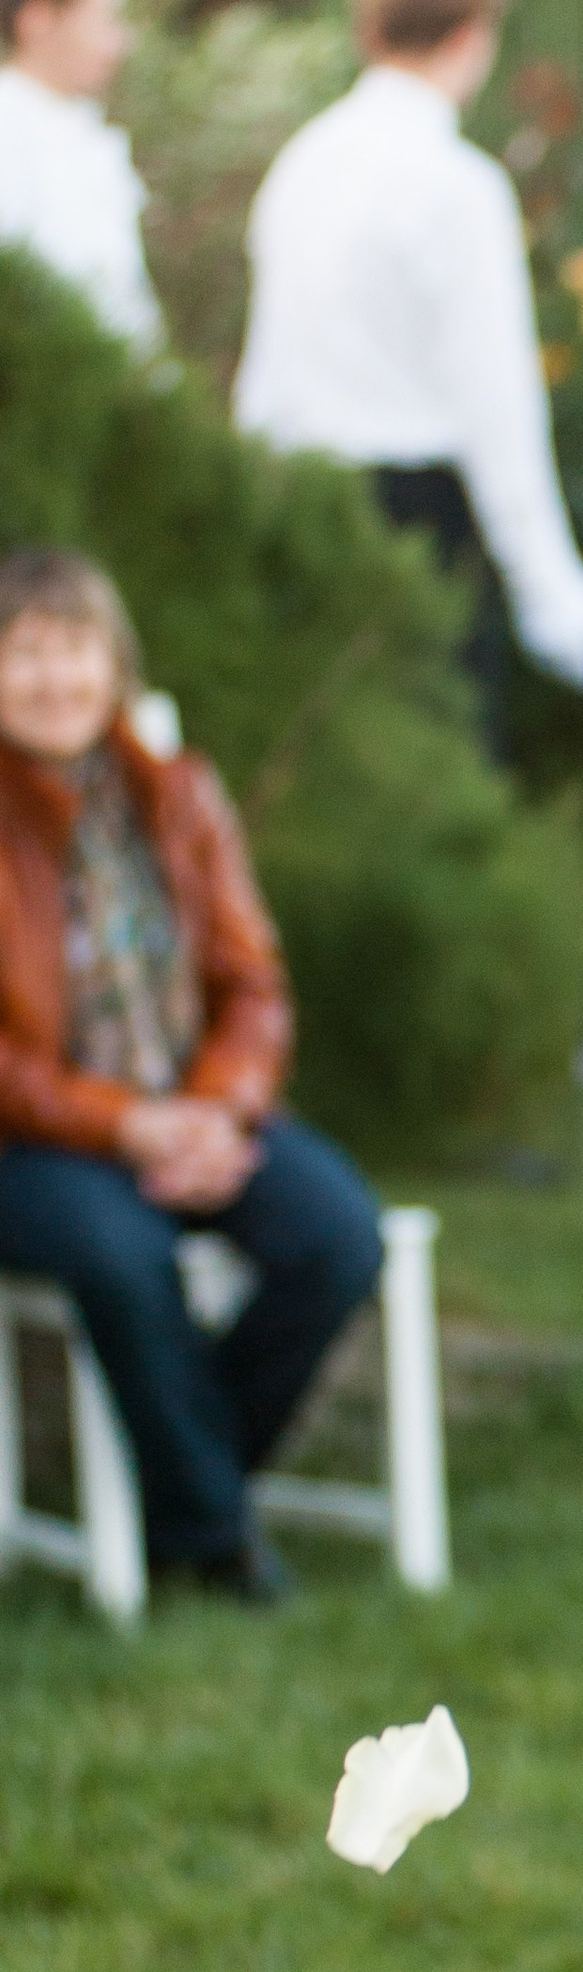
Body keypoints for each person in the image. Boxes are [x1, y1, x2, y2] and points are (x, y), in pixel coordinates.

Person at [0, 546, 383, 1602]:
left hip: (199, 1108)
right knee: (122, 1253)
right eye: (22, 652)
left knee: (338, 1234)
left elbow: (252, 984)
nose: (52, 679)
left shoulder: (180, 795)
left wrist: (216, 1108)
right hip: (36, 1139)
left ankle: (183, 1489)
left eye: (73, 648)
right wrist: (127, 1127)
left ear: (115, 664)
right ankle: (216, 1536)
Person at [235, 0, 583, 744]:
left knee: (330, 749)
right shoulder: (458, 185)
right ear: (471, 39)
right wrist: (545, 576)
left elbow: (266, 362)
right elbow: (494, 395)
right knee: (434, 756)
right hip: (419, 510)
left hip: (306, 491)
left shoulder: (302, 161)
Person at [0, 0, 163, 353]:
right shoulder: (10, 130)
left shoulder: (83, 130)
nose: (121, 41)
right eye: (105, 20)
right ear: (38, 20)